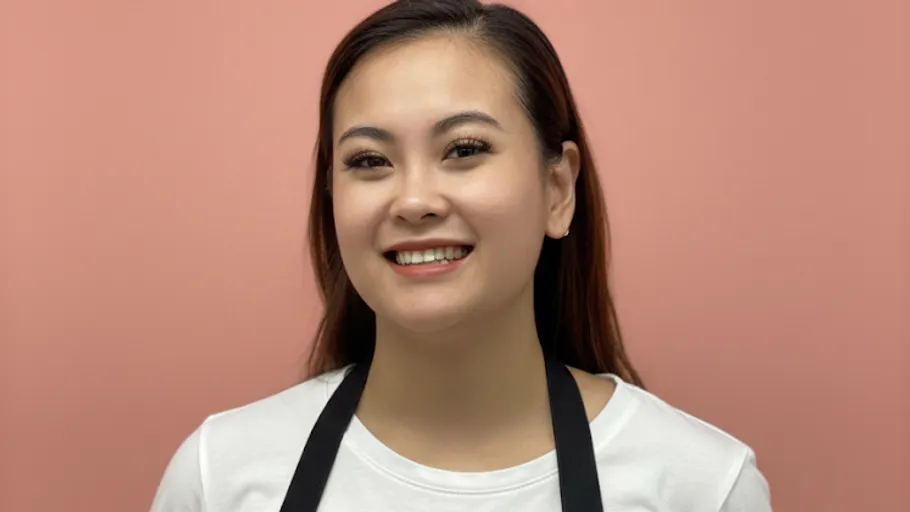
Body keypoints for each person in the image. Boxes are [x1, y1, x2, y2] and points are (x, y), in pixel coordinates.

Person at [150, 1, 773, 510]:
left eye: (464, 148)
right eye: (369, 161)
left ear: (558, 189)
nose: (414, 199)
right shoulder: (218, 476)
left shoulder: (704, 487)